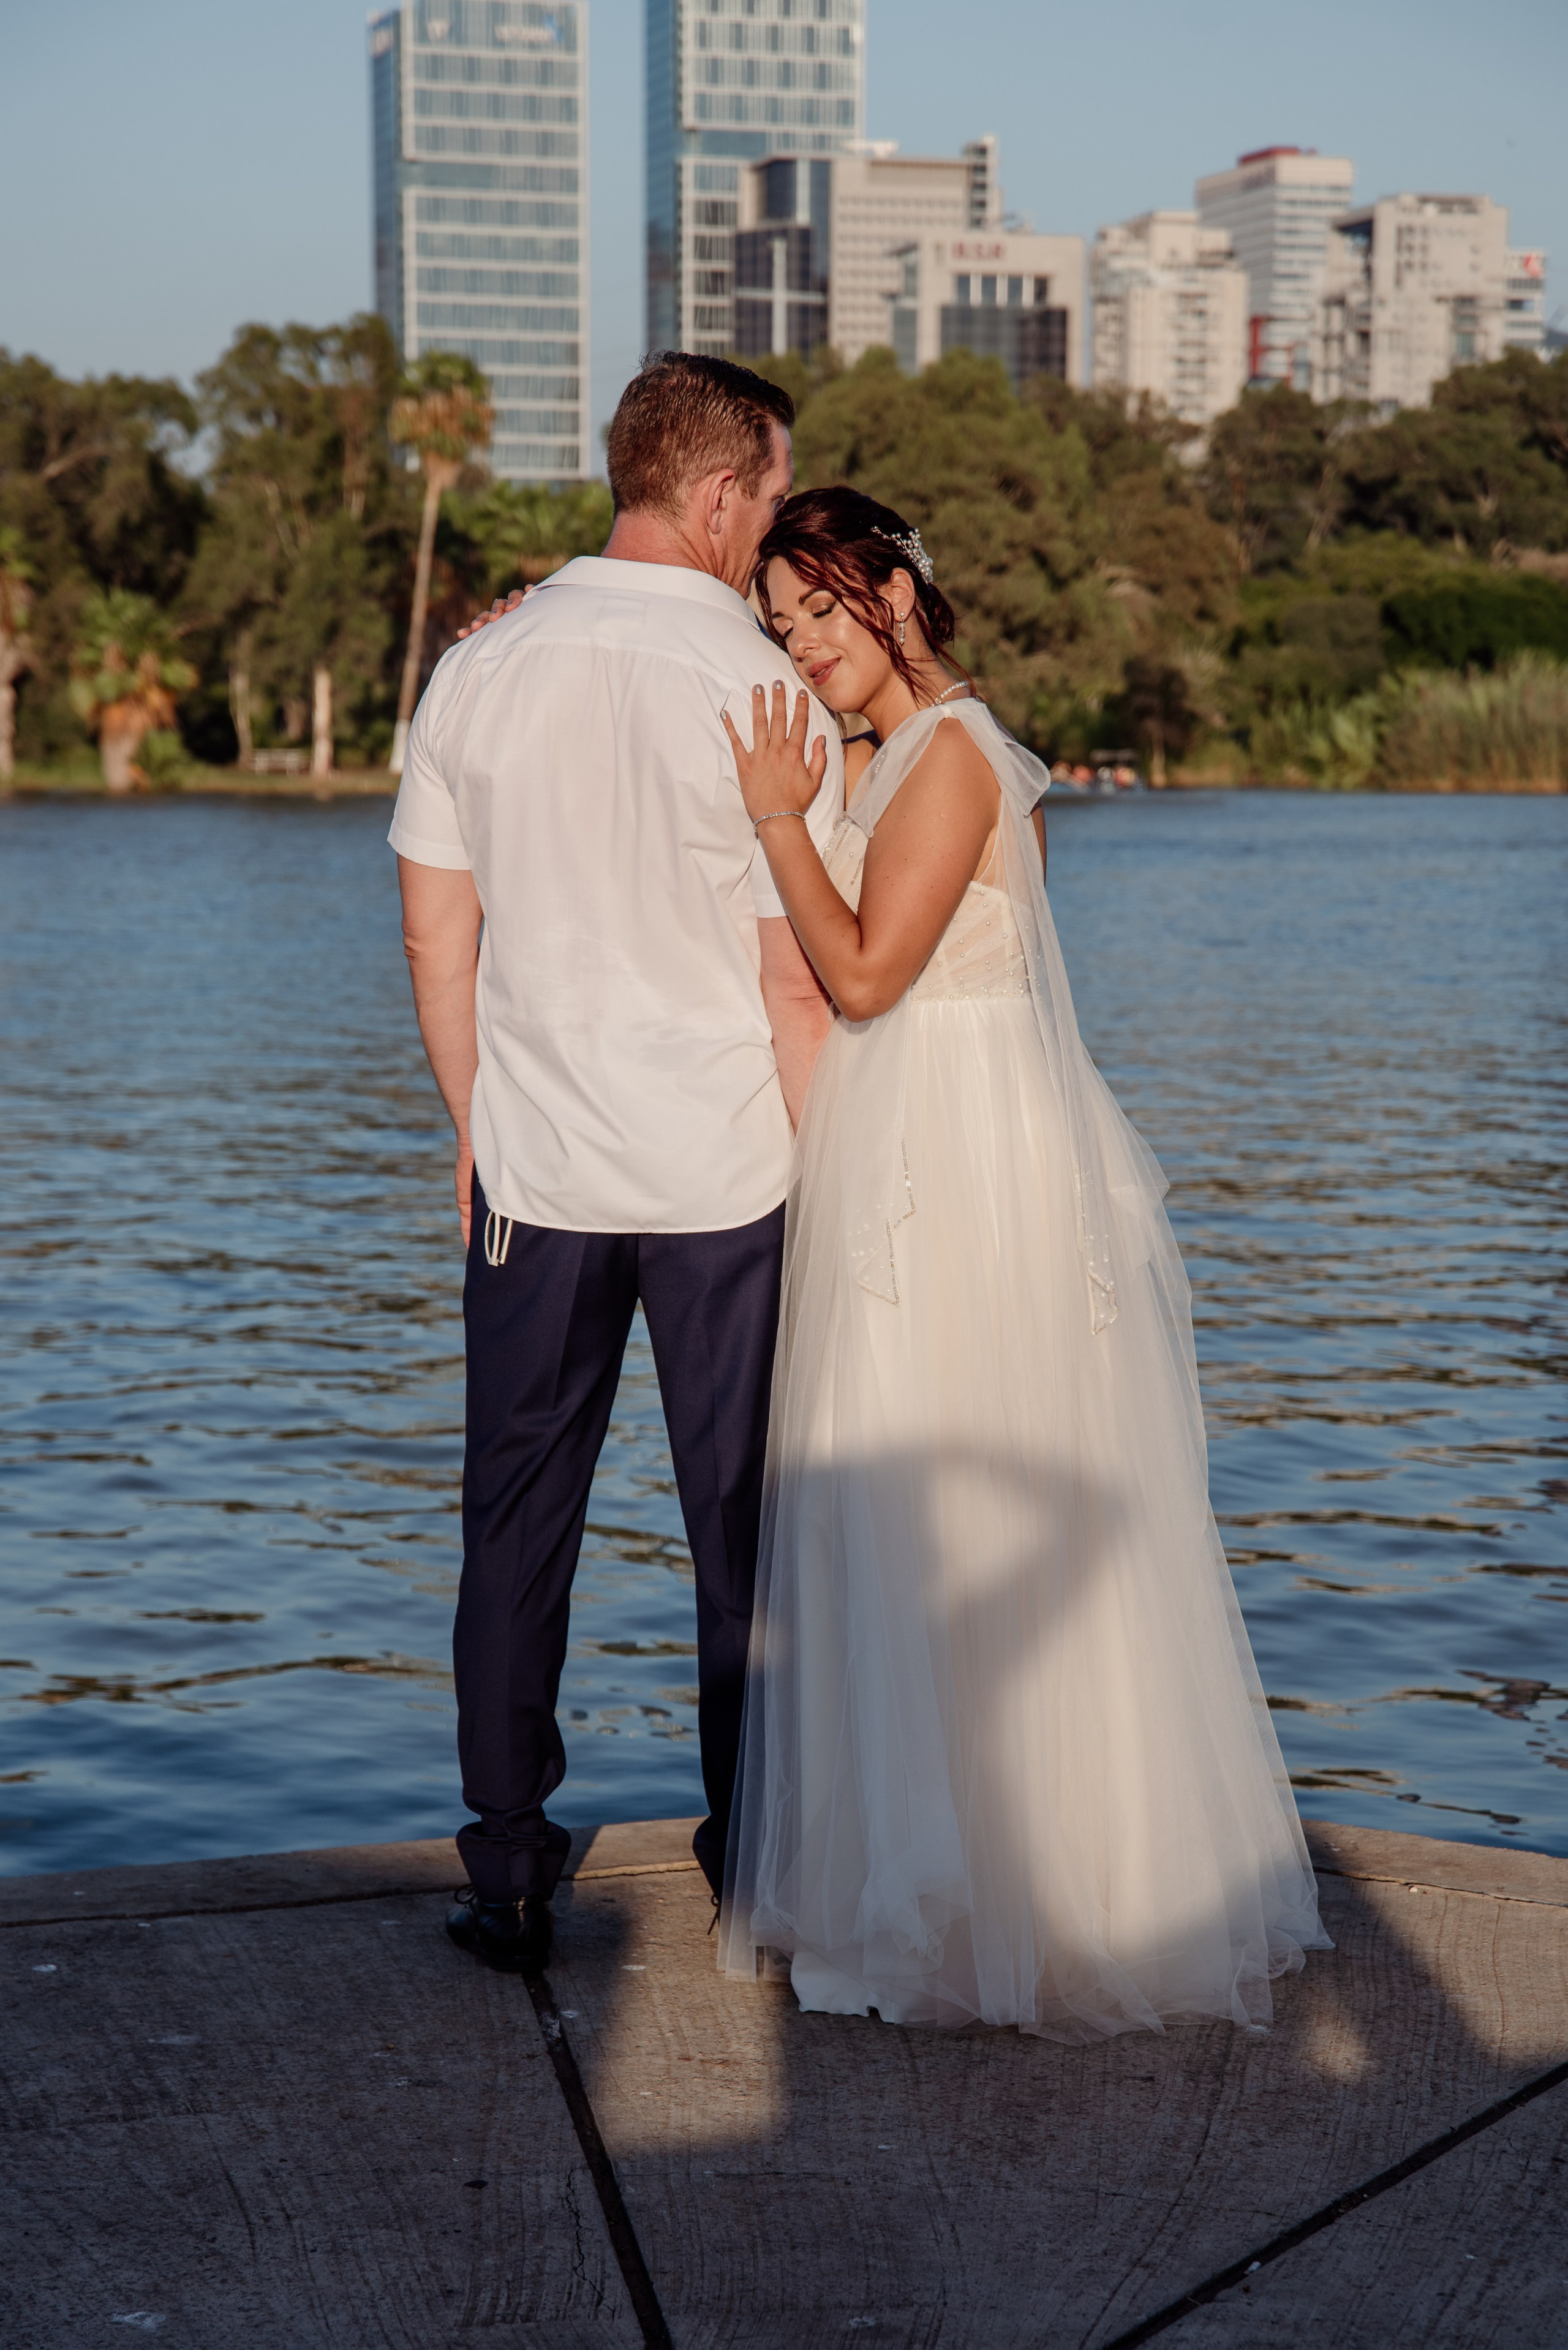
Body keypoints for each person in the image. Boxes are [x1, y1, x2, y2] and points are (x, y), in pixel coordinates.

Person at [716, 486, 1330, 2040]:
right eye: (780, 624)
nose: (801, 645)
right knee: (901, 1516)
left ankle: (1022, 1902)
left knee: (954, 1493)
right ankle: (943, 1886)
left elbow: (866, 976)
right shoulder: (892, 753)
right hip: (919, 1144)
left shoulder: (952, 756)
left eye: (819, 610)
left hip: (963, 1159)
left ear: (893, 594)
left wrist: (779, 821)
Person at [390, 355, 842, 1973]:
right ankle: (752, 1864)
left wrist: (476, 1125)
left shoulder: (478, 667)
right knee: (745, 1534)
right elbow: (797, 983)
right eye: (771, 493)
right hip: (731, 1172)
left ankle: (510, 1873)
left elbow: (438, 940)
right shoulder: (764, 690)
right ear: (716, 493)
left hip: (539, 1171)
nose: (773, 526)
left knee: (514, 1519)